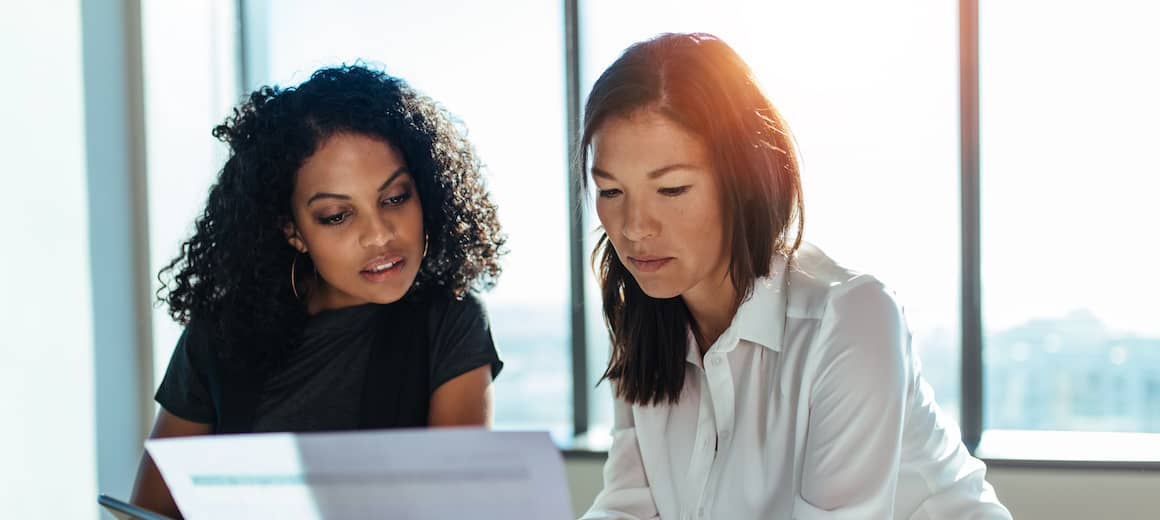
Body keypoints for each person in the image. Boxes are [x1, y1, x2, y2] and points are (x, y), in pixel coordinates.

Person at [579, 33, 1011, 519]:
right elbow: (631, 506)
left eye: (672, 189)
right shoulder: (642, 318)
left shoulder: (851, 316)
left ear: (743, 181)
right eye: (611, 191)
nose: (635, 227)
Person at [130, 64, 506, 517]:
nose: (379, 234)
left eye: (394, 198)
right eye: (336, 215)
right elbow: (151, 511)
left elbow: (458, 508)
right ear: (294, 231)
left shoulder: (451, 320)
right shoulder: (219, 333)